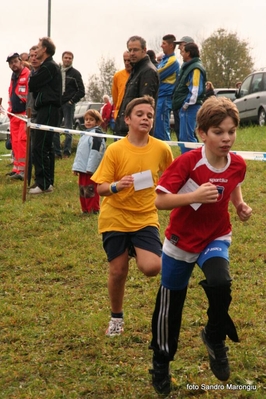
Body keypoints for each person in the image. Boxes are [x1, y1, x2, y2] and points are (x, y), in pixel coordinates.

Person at [149, 96, 252, 396]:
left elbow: (232, 184)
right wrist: (193, 196)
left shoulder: (238, 164)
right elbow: (160, 199)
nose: (227, 138)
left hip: (216, 236)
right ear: (202, 133)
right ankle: (161, 361)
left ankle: (214, 336)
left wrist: (240, 204)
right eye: (219, 132)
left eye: (231, 131)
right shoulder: (188, 162)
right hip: (181, 242)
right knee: (171, 309)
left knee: (221, 282)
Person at [91, 95, 173, 336]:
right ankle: (116, 317)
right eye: (140, 114)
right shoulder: (116, 150)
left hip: (145, 217)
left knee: (152, 267)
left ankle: (136, 248)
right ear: (127, 119)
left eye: (149, 115)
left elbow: (172, 179)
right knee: (118, 272)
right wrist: (117, 185)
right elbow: (101, 187)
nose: (145, 118)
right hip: (115, 217)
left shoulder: (162, 149)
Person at [28, 37, 61, 194]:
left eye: (39, 47)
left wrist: (35, 80)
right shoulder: (48, 67)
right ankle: (47, 183)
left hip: (48, 108)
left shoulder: (49, 67)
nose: (36, 50)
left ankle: (43, 184)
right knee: (45, 146)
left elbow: (32, 84)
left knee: (40, 146)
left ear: (45, 50)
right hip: (44, 108)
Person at [114, 36, 159, 137]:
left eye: (135, 50)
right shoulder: (136, 70)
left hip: (136, 133)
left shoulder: (148, 72)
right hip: (126, 129)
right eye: (130, 50)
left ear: (144, 50)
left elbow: (145, 106)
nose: (132, 53)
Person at [172, 42, 206, 153]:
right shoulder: (188, 67)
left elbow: (195, 90)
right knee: (183, 137)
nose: (181, 54)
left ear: (189, 53)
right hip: (186, 107)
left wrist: (186, 105)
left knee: (188, 137)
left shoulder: (196, 68)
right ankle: (186, 160)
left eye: (183, 51)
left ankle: (195, 160)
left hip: (191, 106)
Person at [72, 109, 106, 214]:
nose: (88, 121)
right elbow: (80, 153)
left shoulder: (97, 135)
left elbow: (96, 153)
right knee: (82, 189)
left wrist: (91, 168)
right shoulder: (84, 134)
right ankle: (85, 209)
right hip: (82, 169)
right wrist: (76, 167)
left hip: (90, 170)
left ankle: (93, 209)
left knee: (90, 190)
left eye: (91, 119)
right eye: (86, 119)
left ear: (97, 122)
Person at [53, 51, 85, 159]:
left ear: (72, 60)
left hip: (68, 104)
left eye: (70, 58)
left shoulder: (75, 74)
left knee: (68, 128)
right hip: (57, 104)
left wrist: (71, 101)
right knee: (55, 128)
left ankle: (66, 152)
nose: (67, 59)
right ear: (62, 59)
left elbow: (81, 91)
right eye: (66, 57)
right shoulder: (56, 72)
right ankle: (57, 152)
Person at [6, 52, 30, 181]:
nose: (13, 64)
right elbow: (11, 92)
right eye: (11, 63)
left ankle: (24, 169)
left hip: (24, 114)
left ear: (20, 61)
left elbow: (29, 95)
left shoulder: (27, 74)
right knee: (15, 142)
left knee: (22, 141)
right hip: (14, 114)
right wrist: (9, 108)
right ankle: (17, 168)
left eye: (15, 61)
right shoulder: (13, 76)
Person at [154, 34, 180, 141]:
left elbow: (156, 74)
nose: (161, 46)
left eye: (164, 43)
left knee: (162, 129)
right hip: (158, 97)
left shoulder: (173, 61)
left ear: (171, 45)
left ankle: (167, 154)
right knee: (156, 128)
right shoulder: (164, 59)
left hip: (164, 98)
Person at [172, 36, 194, 140]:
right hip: (179, 104)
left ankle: (195, 155)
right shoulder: (185, 65)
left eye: (181, 45)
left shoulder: (193, 66)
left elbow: (194, 88)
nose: (179, 48)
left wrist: (185, 104)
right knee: (180, 131)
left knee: (188, 134)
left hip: (185, 105)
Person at [111, 51, 132, 121]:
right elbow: (115, 97)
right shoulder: (118, 76)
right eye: (125, 60)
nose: (126, 63)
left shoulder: (141, 74)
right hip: (120, 113)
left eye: (129, 60)